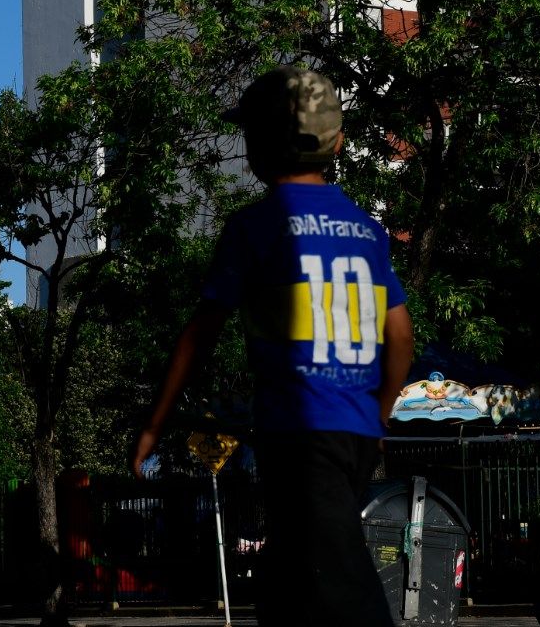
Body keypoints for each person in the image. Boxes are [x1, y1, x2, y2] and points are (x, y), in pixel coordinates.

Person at [130, 66, 412, 627]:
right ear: (338, 142)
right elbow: (399, 338)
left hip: (299, 431)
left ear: (258, 144)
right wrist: (374, 417)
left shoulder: (255, 226)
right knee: (289, 581)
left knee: (342, 584)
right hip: (354, 433)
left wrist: (153, 426)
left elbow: (200, 334)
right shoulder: (366, 229)